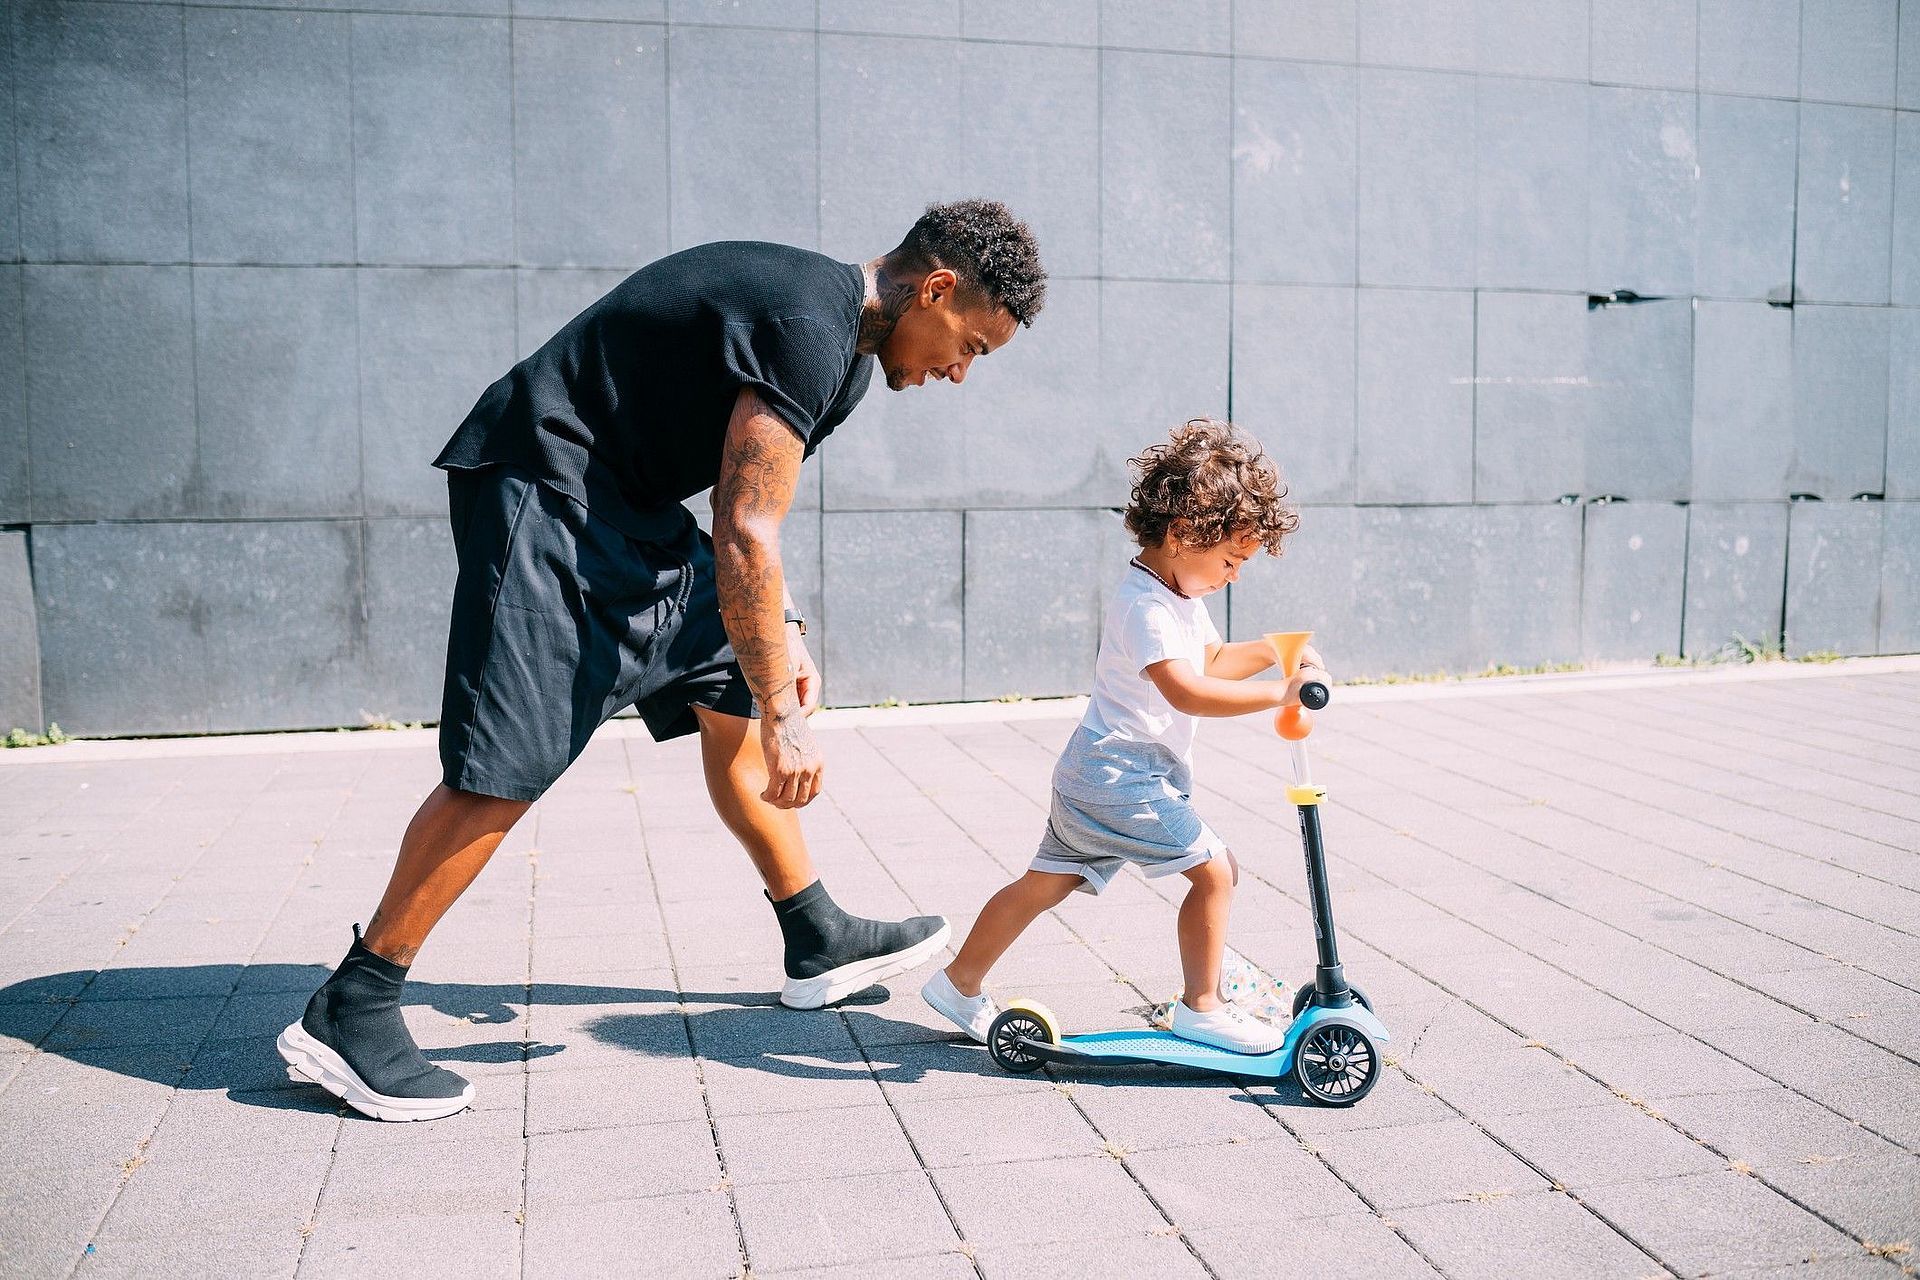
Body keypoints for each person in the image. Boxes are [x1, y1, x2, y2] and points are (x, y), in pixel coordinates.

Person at [278, 200, 1048, 1121]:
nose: (962, 372)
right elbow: (745, 533)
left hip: (631, 513)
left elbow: (745, 507)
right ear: (935, 288)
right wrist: (788, 713)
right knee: (507, 766)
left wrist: (784, 632)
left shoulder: (843, 363)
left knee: (726, 680)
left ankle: (816, 934)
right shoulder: (809, 323)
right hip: (549, 487)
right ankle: (352, 1007)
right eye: (974, 346)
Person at [921, 419, 1321, 1054]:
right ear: (1186, 533)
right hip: (1119, 777)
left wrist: (1275, 652)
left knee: (1045, 883)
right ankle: (1202, 1007)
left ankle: (958, 981)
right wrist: (1282, 694)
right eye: (1230, 560)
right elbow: (1189, 691)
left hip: (1097, 770)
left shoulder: (1178, 595)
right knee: (1215, 873)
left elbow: (1212, 661)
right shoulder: (1146, 606)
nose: (1234, 575)